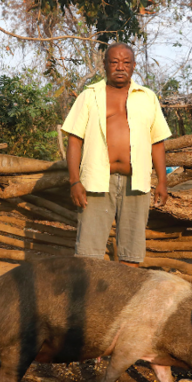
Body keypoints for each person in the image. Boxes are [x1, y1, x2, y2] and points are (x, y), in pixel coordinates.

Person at [62, 43, 171, 267]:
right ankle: (89, 301)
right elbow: (74, 140)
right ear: (104, 65)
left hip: (137, 183)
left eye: (126, 62)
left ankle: (124, 301)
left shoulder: (147, 97)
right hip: (96, 182)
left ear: (133, 66)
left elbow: (157, 142)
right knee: (88, 254)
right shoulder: (89, 96)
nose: (120, 67)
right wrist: (74, 181)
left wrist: (162, 181)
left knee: (131, 253)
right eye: (114, 62)